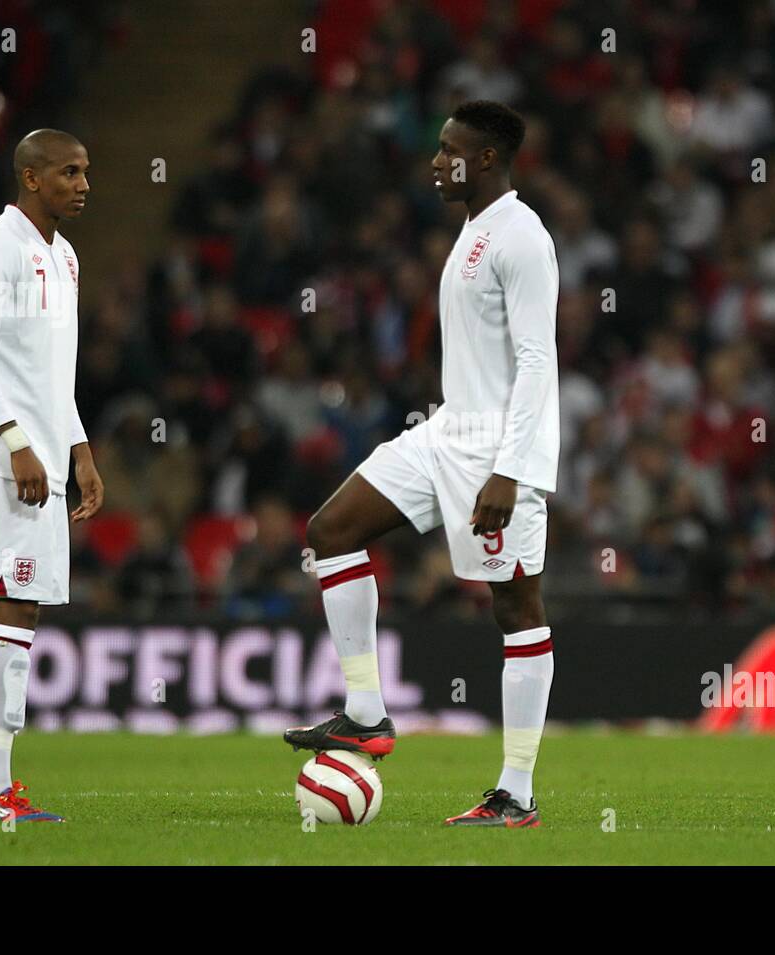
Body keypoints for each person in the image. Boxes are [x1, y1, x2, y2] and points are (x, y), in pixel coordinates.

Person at [284, 101, 560, 828]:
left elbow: (537, 360)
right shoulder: (474, 229)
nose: (436, 162)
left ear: (490, 159)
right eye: (438, 149)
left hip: (499, 444)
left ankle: (517, 793)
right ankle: (366, 712)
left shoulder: (523, 238)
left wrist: (512, 468)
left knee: (515, 608)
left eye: (450, 151)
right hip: (445, 431)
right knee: (332, 529)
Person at [0, 129, 104, 823]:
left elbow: (49, 373)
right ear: (32, 178)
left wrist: (81, 449)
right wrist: (16, 441)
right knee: (9, 608)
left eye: (86, 171)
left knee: (19, 612)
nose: (84, 183)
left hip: (39, 464)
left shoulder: (63, 258)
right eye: (70, 171)